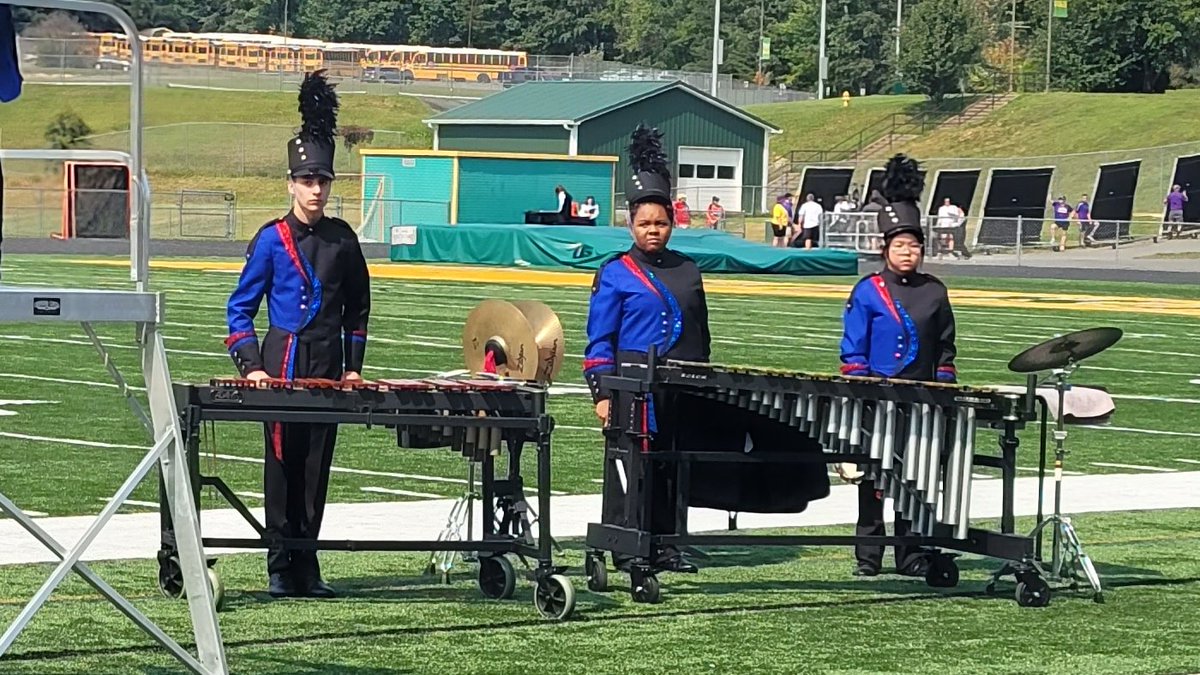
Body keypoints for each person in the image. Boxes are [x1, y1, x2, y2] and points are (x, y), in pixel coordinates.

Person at [225, 71, 371, 599]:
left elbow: (358, 307)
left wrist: (353, 366)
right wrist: (252, 366)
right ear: (290, 183)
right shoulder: (270, 239)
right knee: (282, 467)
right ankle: (281, 566)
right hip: (281, 360)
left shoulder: (342, 239)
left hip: (328, 364)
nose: (315, 189)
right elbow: (239, 309)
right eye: (307, 180)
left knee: (316, 466)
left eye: (323, 181)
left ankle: (309, 566)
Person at [583, 124, 710, 574]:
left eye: (660, 223)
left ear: (672, 223)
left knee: (674, 468)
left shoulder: (689, 269)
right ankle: (627, 544)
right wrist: (600, 393)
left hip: (679, 389)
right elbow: (599, 340)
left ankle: (669, 546)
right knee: (629, 470)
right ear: (630, 224)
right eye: (644, 223)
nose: (652, 230)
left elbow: (701, 334)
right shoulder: (615, 272)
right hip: (628, 390)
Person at [839, 153, 958, 579]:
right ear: (884, 247)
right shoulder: (868, 290)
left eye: (914, 245)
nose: (907, 253)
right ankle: (868, 555)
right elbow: (852, 348)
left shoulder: (935, 292)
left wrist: (944, 391)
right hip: (877, 396)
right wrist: (859, 390)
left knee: (914, 477)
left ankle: (910, 554)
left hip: (922, 397)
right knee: (873, 480)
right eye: (899, 245)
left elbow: (946, 347)